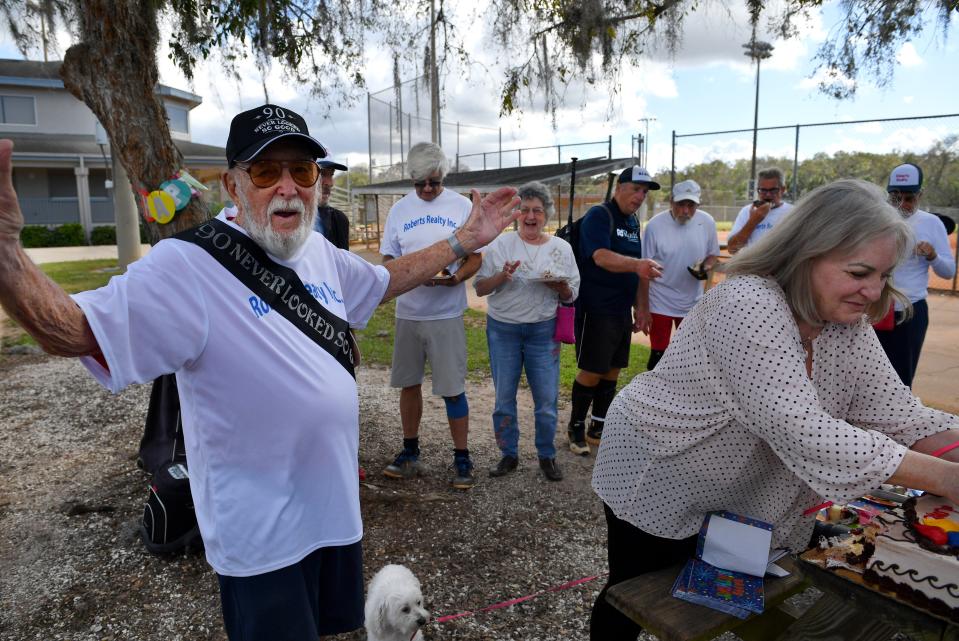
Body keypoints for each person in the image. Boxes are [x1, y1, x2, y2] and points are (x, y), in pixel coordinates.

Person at [0, 104, 520, 641]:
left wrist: (463, 241)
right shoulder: (187, 265)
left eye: (303, 170)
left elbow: (382, 281)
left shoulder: (318, 249)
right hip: (263, 543)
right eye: (266, 172)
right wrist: (8, 256)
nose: (288, 187)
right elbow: (75, 331)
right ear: (232, 184)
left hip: (334, 519)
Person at [589, 179, 959, 640]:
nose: (872, 291)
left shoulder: (845, 322)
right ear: (807, 253)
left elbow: (901, 415)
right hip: (661, 469)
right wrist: (946, 478)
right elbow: (801, 427)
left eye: (883, 276)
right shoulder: (747, 301)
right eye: (860, 272)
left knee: (721, 584)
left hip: (734, 482)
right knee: (631, 591)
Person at [380, 142, 481, 489]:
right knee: (409, 384)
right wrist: (405, 275)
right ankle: (410, 452)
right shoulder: (399, 210)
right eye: (420, 182)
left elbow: (476, 257)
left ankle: (462, 458)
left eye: (434, 182)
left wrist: (456, 278)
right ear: (411, 178)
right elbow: (389, 259)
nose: (426, 189)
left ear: (443, 178)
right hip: (408, 312)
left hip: (446, 314)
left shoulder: (461, 205)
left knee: (452, 389)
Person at [474, 181, 580, 482]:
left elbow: (571, 295)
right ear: (517, 213)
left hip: (542, 332)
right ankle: (508, 453)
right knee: (503, 398)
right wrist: (502, 276)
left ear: (547, 214)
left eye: (537, 210)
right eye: (525, 210)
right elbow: (480, 288)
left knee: (546, 401)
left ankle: (546, 455)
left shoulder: (561, 249)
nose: (530, 216)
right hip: (503, 330)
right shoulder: (500, 245)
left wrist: (560, 286)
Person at [567, 165, 663, 455]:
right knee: (592, 370)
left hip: (621, 310)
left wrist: (642, 308)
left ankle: (599, 425)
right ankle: (575, 429)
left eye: (644, 193)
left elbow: (640, 268)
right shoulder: (600, 215)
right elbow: (600, 257)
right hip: (596, 308)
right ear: (619, 187)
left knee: (613, 369)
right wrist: (637, 266)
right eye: (635, 189)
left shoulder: (633, 223)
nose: (639, 197)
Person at [875, 162, 955, 387]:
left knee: (901, 380)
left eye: (909, 198)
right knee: (868, 376)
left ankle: (898, 421)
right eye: (895, 197)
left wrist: (933, 256)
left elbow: (948, 272)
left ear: (920, 195)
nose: (901, 204)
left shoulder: (931, 223)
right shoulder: (876, 219)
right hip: (875, 307)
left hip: (910, 311)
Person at [641, 179, 720, 370]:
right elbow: (643, 270)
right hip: (660, 300)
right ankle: (652, 395)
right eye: (681, 204)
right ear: (671, 201)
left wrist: (705, 267)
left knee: (691, 355)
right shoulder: (654, 225)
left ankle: (685, 397)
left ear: (697, 204)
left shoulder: (707, 221)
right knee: (658, 354)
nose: (685, 210)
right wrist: (643, 307)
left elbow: (713, 255)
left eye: (690, 205)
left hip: (692, 301)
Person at [726, 167, 793, 254]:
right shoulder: (747, 211)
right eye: (763, 190)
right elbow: (732, 249)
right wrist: (753, 220)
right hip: (752, 265)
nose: (768, 195)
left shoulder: (793, 212)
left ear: (783, 189)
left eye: (773, 190)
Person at [313, 158, 351, 250]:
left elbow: (342, 262)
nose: (329, 183)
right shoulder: (285, 219)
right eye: (322, 174)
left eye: (331, 175)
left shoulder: (339, 220)